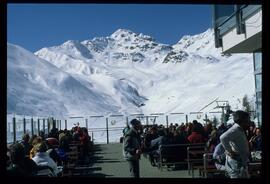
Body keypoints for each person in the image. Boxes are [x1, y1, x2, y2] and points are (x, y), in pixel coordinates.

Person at [220, 110, 251, 178]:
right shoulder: (235, 129)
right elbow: (223, 138)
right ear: (242, 120)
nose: (248, 122)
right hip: (236, 162)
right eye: (247, 120)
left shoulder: (239, 129)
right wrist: (230, 151)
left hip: (240, 161)